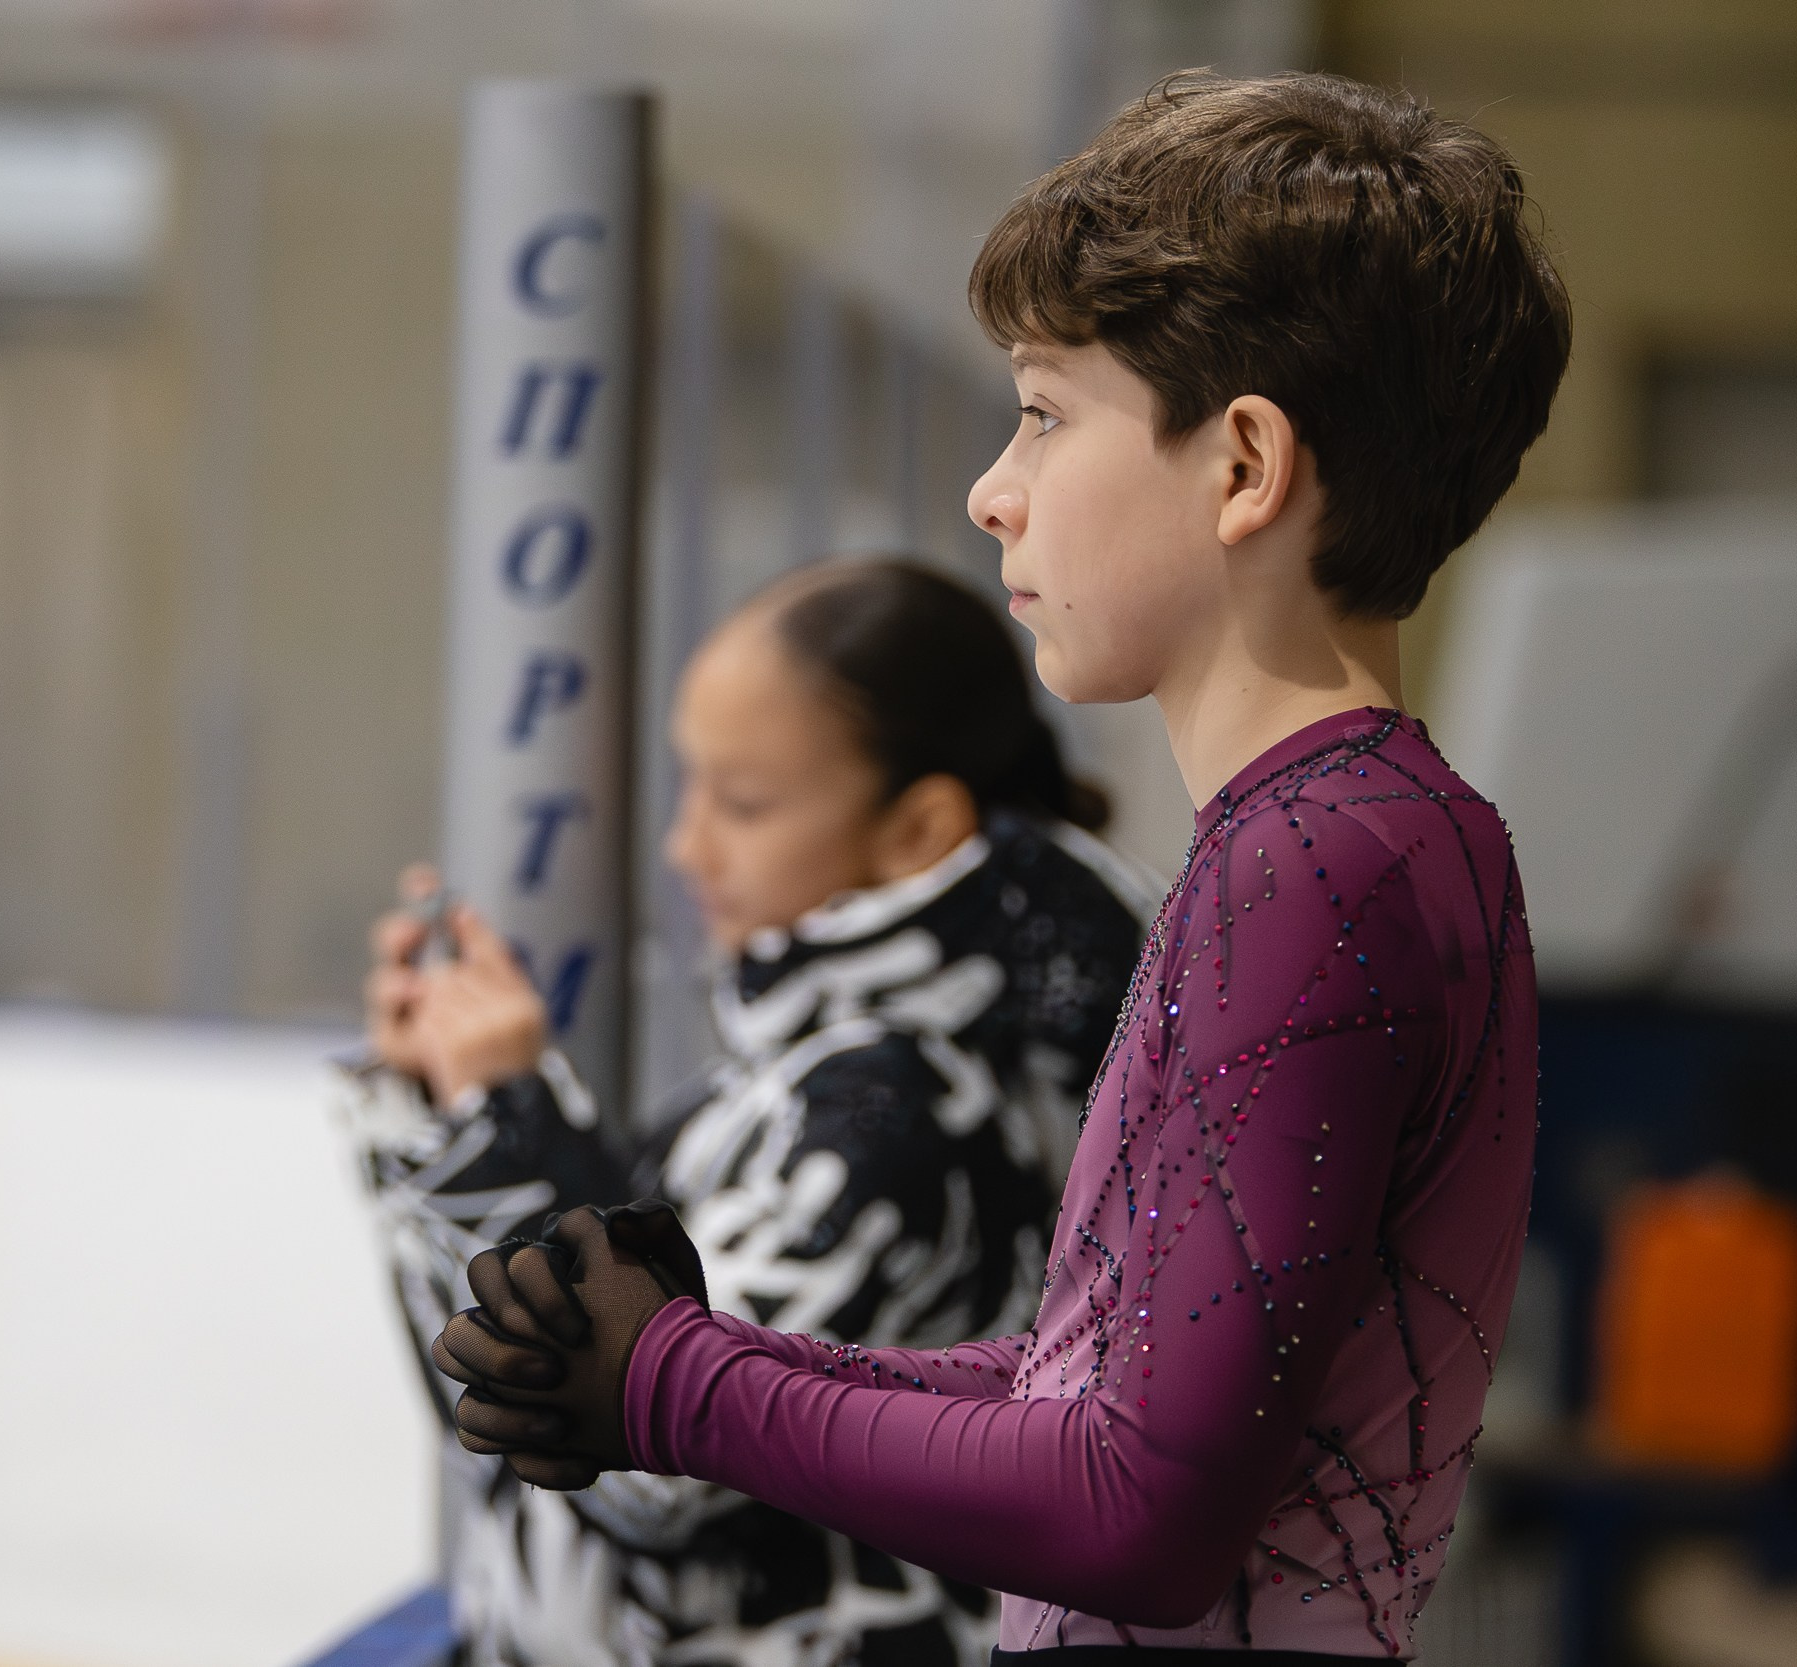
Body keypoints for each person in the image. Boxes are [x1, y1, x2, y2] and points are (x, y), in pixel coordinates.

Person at [431, 71, 1573, 1662]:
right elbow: (1095, 1386)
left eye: (1045, 410)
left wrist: (678, 1383)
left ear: (1243, 466)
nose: (993, 489)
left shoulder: (1313, 868)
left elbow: (1137, 1508)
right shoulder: (1395, 833)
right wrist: (692, 1357)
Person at [344, 558, 1160, 1667]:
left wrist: (500, 1125)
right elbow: (497, 1401)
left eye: (743, 802)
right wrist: (447, 1109)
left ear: (916, 827)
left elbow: (643, 1466)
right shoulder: (836, 1054)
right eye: (690, 785)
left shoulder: (901, 1108)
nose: (687, 844)